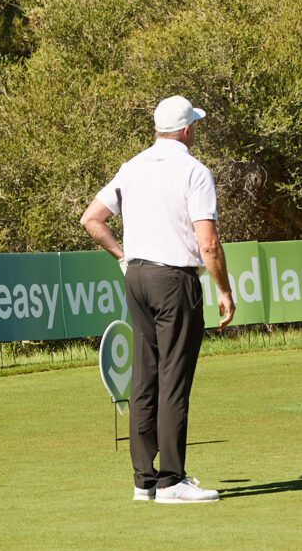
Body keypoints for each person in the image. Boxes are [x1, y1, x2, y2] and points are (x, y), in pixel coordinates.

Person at [81, 95, 234, 503]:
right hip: (174, 280)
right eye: (193, 125)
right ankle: (171, 481)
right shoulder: (195, 171)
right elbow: (208, 243)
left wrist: (123, 256)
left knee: (145, 376)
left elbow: (91, 219)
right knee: (173, 378)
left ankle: (143, 481)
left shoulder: (131, 168)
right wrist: (224, 289)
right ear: (186, 130)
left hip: (137, 277)